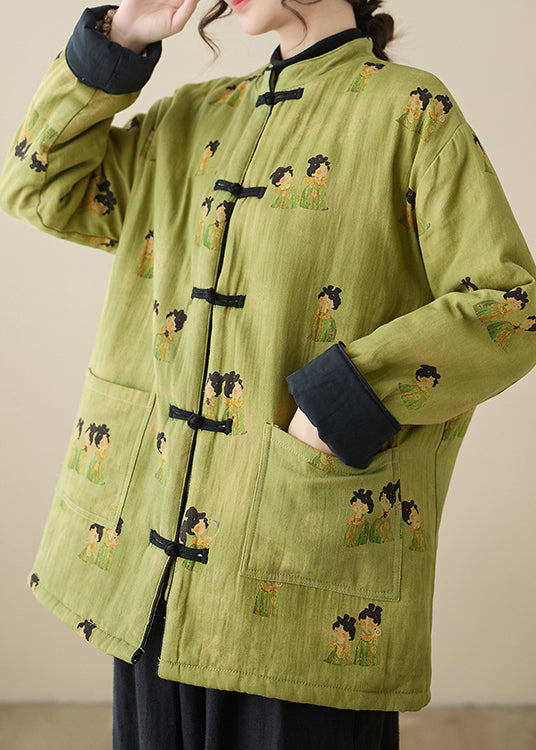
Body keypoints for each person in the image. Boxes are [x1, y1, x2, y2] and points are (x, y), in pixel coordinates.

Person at [1, 1, 535, 748]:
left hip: (300, 569)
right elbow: (39, 188)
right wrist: (118, 38)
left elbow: (510, 305)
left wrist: (345, 401)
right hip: (151, 569)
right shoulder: (192, 115)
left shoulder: (411, 112)